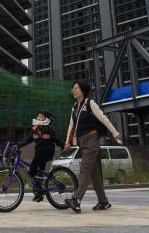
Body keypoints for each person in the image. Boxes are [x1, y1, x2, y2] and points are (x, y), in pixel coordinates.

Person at [63, 80, 122, 214]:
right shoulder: (74, 107)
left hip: (92, 140)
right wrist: (67, 142)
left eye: (76, 88)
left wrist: (115, 133)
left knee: (84, 169)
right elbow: (71, 126)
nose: (74, 90)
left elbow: (103, 118)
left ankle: (76, 200)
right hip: (82, 142)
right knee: (94, 173)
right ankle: (103, 201)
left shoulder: (90, 103)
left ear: (83, 90)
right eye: (73, 88)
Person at [16, 108, 63, 201]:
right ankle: (39, 191)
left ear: (46, 120)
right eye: (38, 116)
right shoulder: (34, 130)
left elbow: (57, 140)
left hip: (48, 152)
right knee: (31, 172)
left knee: (40, 162)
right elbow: (27, 139)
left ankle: (41, 173)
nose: (38, 118)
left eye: (41, 117)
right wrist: (18, 145)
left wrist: (64, 145)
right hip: (38, 154)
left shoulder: (50, 130)